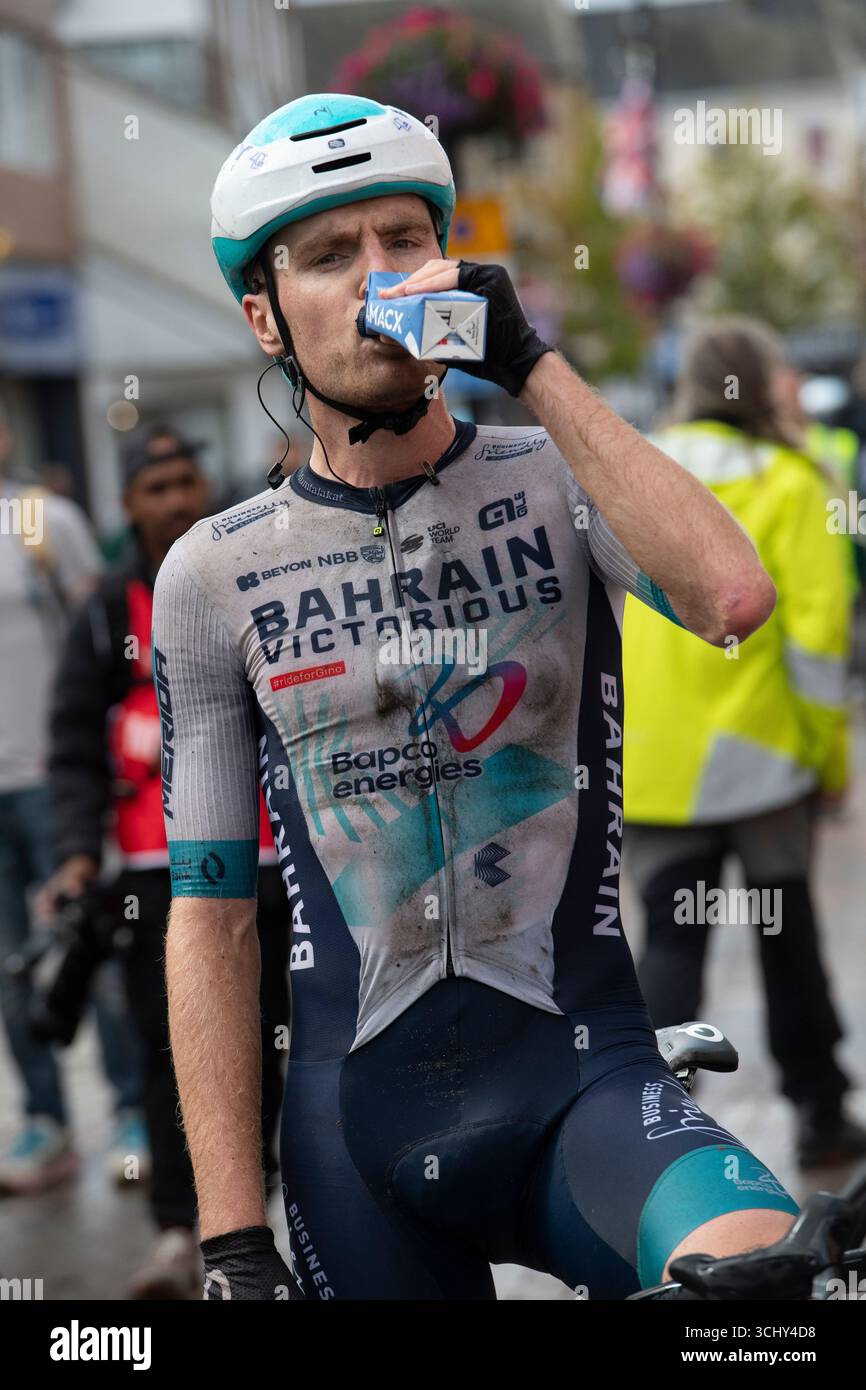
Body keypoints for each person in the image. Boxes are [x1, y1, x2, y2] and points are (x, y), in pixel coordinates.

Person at [154, 94, 799, 1302]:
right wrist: (231, 1240)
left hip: (581, 1084)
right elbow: (210, 916)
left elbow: (729, 592)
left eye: (404, 238)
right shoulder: (213, 573)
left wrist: (532, 365)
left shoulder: (555, 477)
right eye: (328, 254)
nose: (375, 276)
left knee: (762, 1292)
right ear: (262, 316)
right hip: (354, 1134)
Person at [37, 429, 289, 1297]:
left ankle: (278, 1211)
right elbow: (72, 745)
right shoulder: (107, 615)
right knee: (172, 1050)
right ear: (128, 506)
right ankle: (186, 1234)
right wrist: (75, 856)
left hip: (278, 860)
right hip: (159, 873)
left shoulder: (247, 576)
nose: (177, 500)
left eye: (188, 481)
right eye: (157, 488)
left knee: (290, 1039)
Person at [621, 318, 866, 1170]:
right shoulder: (797, 481)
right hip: (763, 761)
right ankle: (821, 1116)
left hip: (655, 763)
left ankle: (650, 1138)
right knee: (788, 943)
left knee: (672, 950)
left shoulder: (638, 468)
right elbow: (817, 646)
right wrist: (828, 762)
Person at [0, 404, 144, 1192]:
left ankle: (130, 1113)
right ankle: (45, 1124)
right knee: (12, 966)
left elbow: (101, 636)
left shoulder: (37, 520)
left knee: (97, 950)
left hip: (53, 782)